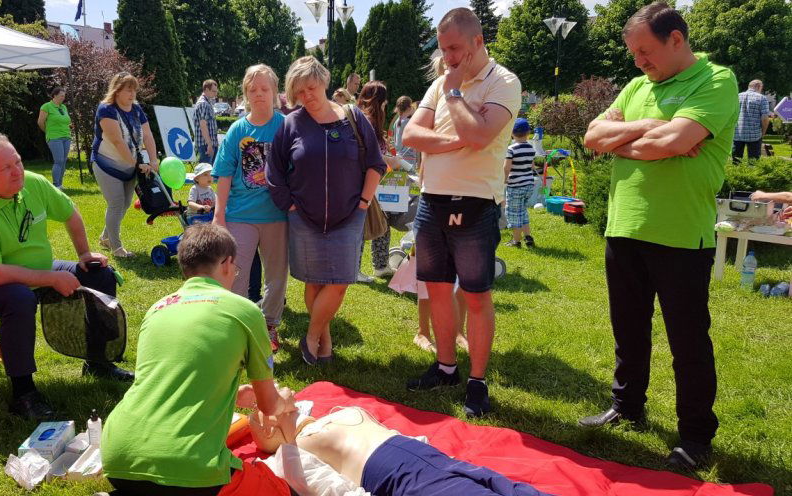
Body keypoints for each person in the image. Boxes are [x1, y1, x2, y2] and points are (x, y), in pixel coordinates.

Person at [580, 2, 739, 469]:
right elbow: (592, 136)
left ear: (677, 39)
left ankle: (695, 436)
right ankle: (627, 407)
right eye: (633, 53)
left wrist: (638, 139)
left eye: (645, 51)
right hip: (624, 225)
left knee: (688, 340)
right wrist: (650, 127)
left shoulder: (716, 81)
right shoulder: (636, 86)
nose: (638, 62)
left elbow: (670, 144)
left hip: (680, 233)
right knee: (628, 331)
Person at [0, 134, 133, 420]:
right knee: (19, 298)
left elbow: (70, 213)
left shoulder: (32, 183)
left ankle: (98, 362)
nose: (17, 171)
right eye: (5, 168)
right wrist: (50, 278)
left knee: (100, 274)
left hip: (37, 271)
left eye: (17, 162)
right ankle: (23, 394)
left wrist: (84, 254)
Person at [101, 223, 297, 496]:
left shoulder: (157, 308)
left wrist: (229, 391)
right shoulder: (244, 310)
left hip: (118, 456)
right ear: (228, 263)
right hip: (189, 469)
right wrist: (285, 399)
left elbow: (164, 378)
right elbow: (268, 404)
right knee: (281, 490)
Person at [400, 8, 521, 417]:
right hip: (433, 200)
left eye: (454, 48)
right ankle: (447, 366)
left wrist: (454, 95)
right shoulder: (438, 83)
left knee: (475, 295)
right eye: (443, 48)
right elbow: (414, 136)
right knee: (436, 289)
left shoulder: (503, 82)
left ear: (477, 42)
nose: (448, 57)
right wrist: (455, 141)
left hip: (476, 203)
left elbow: (480, 134)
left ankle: (477, 381)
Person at [267, 56, 386, 365]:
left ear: (323, 81)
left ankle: (311, 335)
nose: (306, 96)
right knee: (315, 280)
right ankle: (326, 341)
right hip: (304, 217)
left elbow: (376, 163)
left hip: (349, 215)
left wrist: (363, 203)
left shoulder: (353, 117)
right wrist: (290, 205)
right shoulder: (291, 123)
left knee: (340, 280)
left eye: (311, 87)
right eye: (299, 92)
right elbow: (274, 171)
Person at [250, 407, 550, 496]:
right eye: (260, 414)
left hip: (437, 463)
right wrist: (287, 441)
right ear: (268, 433)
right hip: (405, 480)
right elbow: (320, 488)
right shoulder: (293, 453)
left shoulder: (336, 412)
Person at [213, 64, 290, 352]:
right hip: (240, 216)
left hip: (276, 216)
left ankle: (269, 326)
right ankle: (240, 326)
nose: (258, 94)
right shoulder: (237, 129)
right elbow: (224, 173)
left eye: (264, 89)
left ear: (275, 92)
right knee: (236, 273)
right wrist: (218, 214)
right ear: (245, 93)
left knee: (276, 277)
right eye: (252, 89)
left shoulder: (285, 126)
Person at [91, 72, 159, 258]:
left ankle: (106, 237)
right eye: (128, 90)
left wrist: (153, 160)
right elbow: (117, 141)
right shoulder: (106, 109)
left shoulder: (136, 109)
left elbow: (147, 135)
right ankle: (117, 248)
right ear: (117, 90)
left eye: (134, 90)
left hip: (130, 166)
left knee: (126, 203)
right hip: (107, 164)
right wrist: (137, 164)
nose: (132, 94)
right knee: (116, 203)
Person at [356, 81, 403, 279]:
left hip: (376, 181)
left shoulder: (367, 119)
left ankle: (380, 265)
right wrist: (390, 160)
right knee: (362, 225)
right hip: (366, 181)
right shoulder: (366, 121)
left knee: (381, 224)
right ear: (379, 101)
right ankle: (356, 269)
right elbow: (368, 153)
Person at [504, 118, 537, 248]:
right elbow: (532, 166)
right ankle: (528, 237)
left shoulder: (511, 149)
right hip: (528, 185)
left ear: (512, 133)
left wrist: (505, 179)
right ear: (528, 133)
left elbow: (507, 167)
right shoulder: (531, 148)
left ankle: (516, 241)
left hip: (515, 186)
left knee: (514, 213)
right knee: (522, 211)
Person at [37, 87, 72, 188]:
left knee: (63, 161)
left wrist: (69, 125)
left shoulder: (63, 107)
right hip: (54, 137)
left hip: (66, 136)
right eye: (61, 96)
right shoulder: (46, 106)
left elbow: (67, 120)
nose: (63, 98)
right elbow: (40, 122)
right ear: (54, 95)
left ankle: (60, 184)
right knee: (59, 161)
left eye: (64, 96)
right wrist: (48, 132)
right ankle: (55, 185)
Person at [732, 80, 771, 163]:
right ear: (758, 86)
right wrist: (763, 132)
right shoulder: (762, 98)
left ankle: (736, 175)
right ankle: (752, 175)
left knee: (736, 161)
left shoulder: (737, 96)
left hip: (737, 133)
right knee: (753, 162)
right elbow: (764, 118)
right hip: (755, 134)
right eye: (761, 88)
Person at [195, 79, 220, 163]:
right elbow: (203, 125)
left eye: (216, 91)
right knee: (206, 173)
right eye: (213, 91)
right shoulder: (203, 104)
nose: (216, 94)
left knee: (210, 172)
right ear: (206, 90)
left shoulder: (207, 103)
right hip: (205, 145)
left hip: (209, 144)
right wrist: (209, 144)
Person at [390, 95, 418, 169]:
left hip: (399, 156)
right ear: (409, 108)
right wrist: (415, 113)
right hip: (408, 158)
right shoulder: (408, 122)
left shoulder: (397, 122)